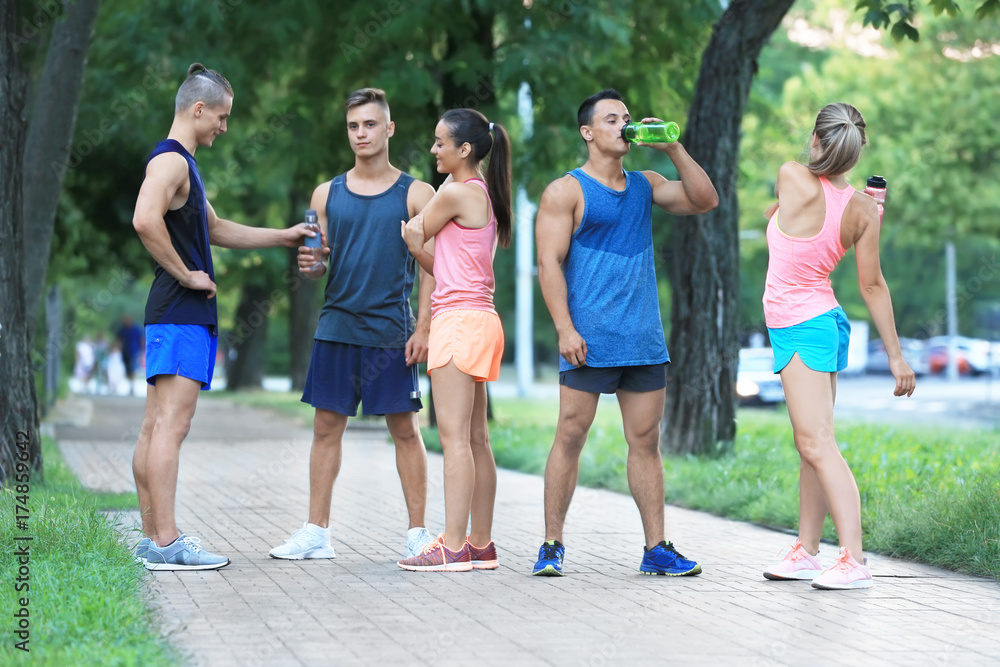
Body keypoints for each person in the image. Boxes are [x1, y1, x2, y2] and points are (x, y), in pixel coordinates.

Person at [131, 63, 314, 571]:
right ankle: (167, 542)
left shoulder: (182, 166)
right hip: (180, 310)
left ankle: (152, 540)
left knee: (155, 426)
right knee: (172, 425)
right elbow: (144, 220)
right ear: (198, 109)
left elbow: (217, 228)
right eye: (222, 116)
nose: (224, 127)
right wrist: (188, 274)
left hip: (171, 313)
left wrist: (283, 235)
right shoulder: (170, 164)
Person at [532, 89, 718, 577]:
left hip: (642, 339)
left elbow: (705, 199)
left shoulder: (646, 183)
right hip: (588, 339)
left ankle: (656, 548)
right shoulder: (565, 191)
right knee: (570, 436)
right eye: (611, 119)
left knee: (646, 441)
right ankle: (551, 544)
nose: (623, 125)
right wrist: (564, 328)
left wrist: (672, 147)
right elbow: (547, 263)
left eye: (627, 119)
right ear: (588, 132)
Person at [269, 88, 437, 562]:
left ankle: (418, 533)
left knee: (405, 429)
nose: (360, 134)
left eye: (369, 124)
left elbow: (430, 266)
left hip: (390, 330)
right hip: (337, 325)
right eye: (352, 126)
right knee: (325, 428)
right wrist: (313, 264)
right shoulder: (327, 193)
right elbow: (320, 263)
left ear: (389, 128)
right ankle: (316, 532)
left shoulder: (417, 193)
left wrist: (423, 327)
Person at [760, 102, 914, 590]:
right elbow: (872, 285)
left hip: (804, 325)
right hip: (813, 322)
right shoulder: (864, 208)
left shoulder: (791, 175)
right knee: (812, 442)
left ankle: (854, 559)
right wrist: (894, 354)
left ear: (815, 139)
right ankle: (807, 551)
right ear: (857, 148)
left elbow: (790, 205)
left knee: (816, 442)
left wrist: (895, 356)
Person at [396, 108, 511, 572]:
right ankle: (480, 544)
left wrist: (410, 237)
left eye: (441, 142)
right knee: (477, 438)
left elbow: (414, 232)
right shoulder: (484, 194)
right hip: (482, 319)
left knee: (454, 442)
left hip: (457, 324)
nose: (434, 149)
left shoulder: (453, 193)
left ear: (465, 150)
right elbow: (445, 266)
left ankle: (454, 545)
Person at [116, 314, 144, 395]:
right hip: (125, 352)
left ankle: (132, 385)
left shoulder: (136, 329)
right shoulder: (122, 329)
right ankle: (130, 384)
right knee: (127, 369)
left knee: (132, 368)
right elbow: (119, 340)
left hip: (134, 351)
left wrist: (142, 351)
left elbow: (141, 339)